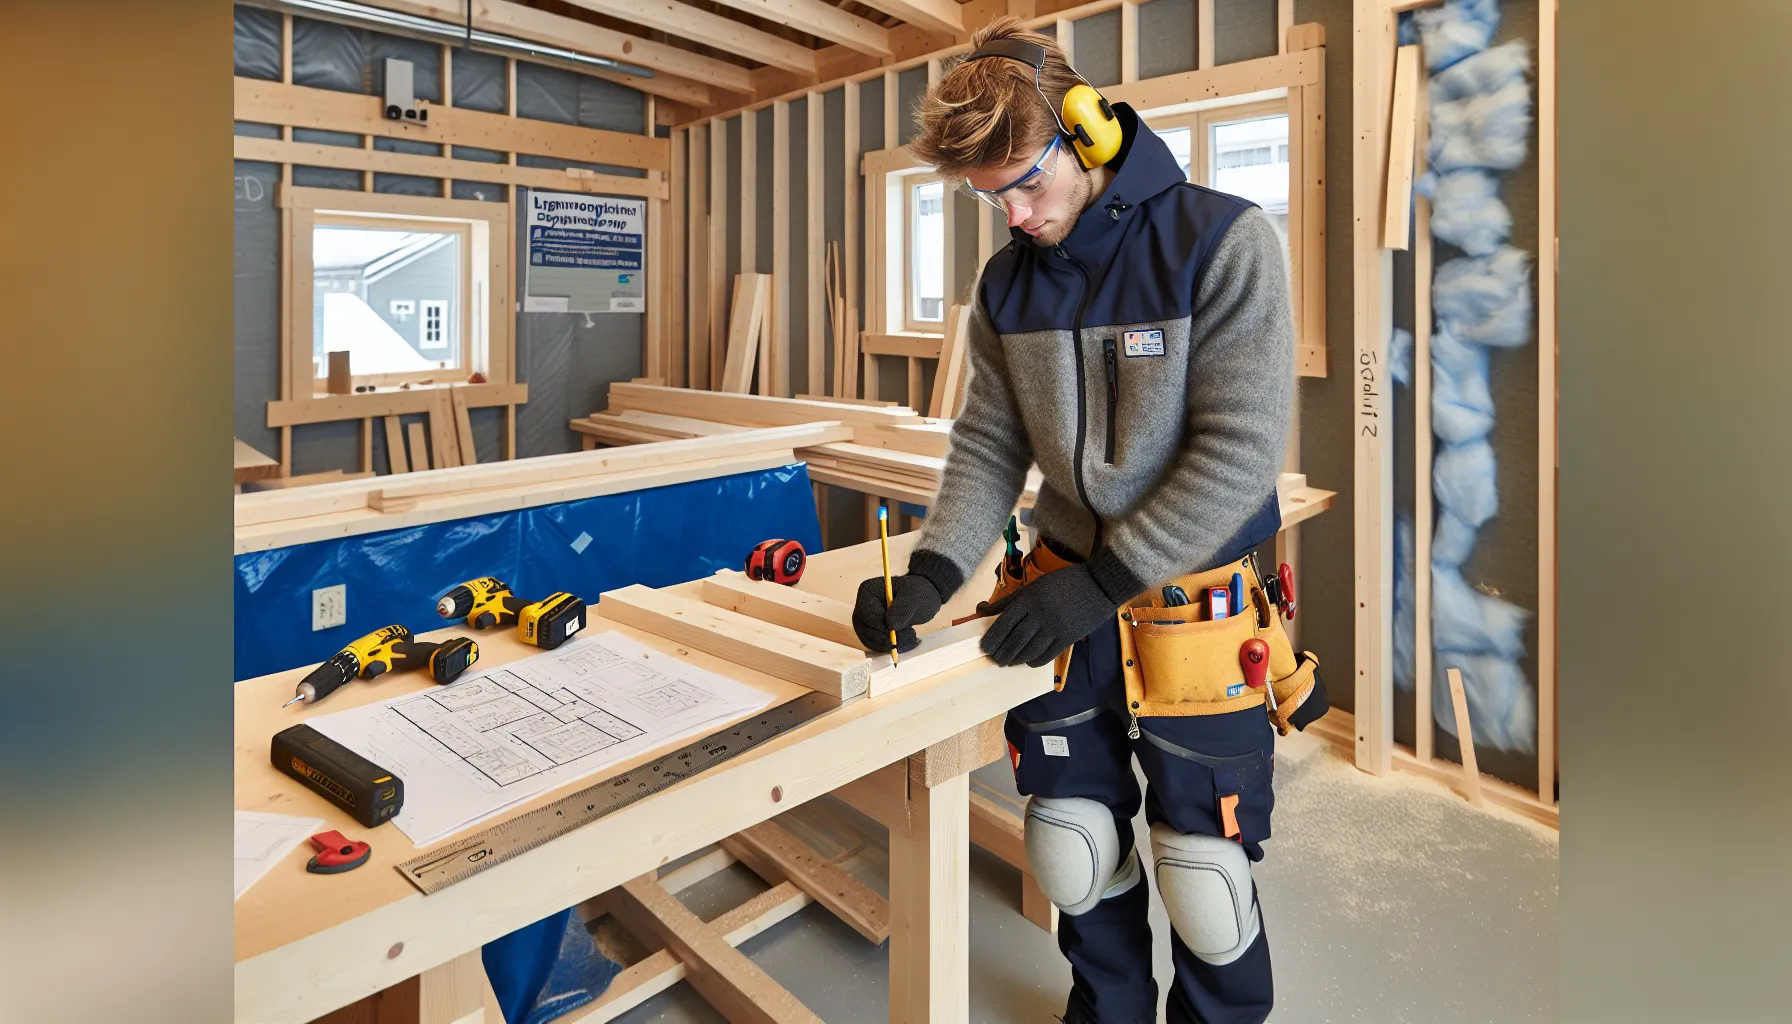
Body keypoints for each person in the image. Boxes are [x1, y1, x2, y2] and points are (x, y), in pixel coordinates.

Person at [849, 17, 1330, 1024]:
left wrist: (1111, 578)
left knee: (1203, 874)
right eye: (990, 198)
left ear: (1090, 133)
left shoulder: (1222, 241)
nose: (1014, 216)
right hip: (1064, 608)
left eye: (1026, 182)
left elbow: (1238, 451)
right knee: (1073, 848)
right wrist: (935, 571)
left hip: (1193, 606)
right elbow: (989, 443)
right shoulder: (1006, 284)